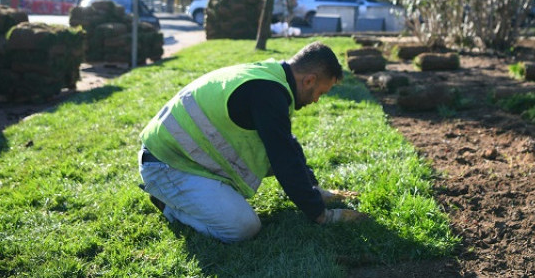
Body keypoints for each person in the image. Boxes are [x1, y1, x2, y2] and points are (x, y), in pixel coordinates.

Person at [138, 41, 367, 242]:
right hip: (167, 165)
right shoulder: (268, 93)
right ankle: (170, 206)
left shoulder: (272, 77)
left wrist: (314, 190)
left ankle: (189, 196)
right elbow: (283, 159)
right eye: (321, 93)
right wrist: (321, 215)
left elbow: (286, 145)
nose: (317, 100)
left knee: (283, 145)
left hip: (185, 157)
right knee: (243, 228)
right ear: (309, 80)